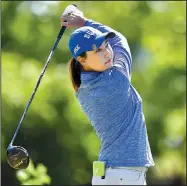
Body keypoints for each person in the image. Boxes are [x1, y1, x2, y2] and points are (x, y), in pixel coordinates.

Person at [61, 5, 155, 185]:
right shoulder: (116, 81)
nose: (107, 53)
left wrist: (83, 25)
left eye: (105, 46)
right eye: (97, 50)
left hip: (112, 174)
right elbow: (120, 40)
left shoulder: (84, 85)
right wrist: (83, 22)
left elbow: (116, 43)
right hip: (123, 176)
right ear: (82, 59)